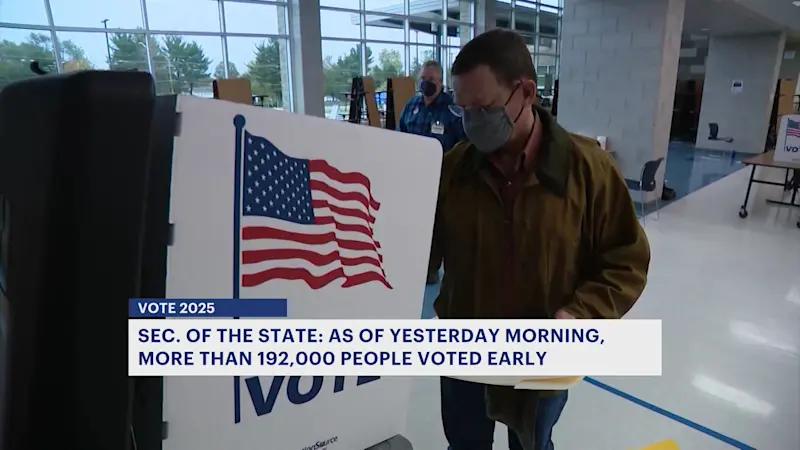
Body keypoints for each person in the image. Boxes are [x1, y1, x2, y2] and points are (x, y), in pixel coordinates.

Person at [432, 29, 651, 450]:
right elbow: (419, 256)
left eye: (484, 107)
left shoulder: (587, 170)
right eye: (464, 111)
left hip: (543, 351)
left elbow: (625, 258)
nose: (473, 121)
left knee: (532, 443)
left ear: (526, 91)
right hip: (464, 349)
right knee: (464, 444)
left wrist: (582, 313)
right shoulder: (453, 169)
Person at [397, 59, 465, 285]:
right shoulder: (410, 106)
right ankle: (412, 262)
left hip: (440, 178)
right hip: (412, 176)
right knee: (413, 222)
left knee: (437, 225)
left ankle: (431, 269)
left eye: (432, 80)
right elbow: (400, 135)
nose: (426, 83)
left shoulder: (452, 110)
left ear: (440, 83)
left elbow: (464, 143)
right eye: (423, 79)